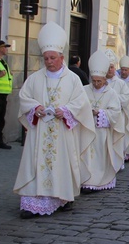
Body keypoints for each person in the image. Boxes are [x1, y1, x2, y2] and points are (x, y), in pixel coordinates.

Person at [13, 21, 95, 218]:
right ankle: (32, 203)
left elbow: (82, 103)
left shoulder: (73, 79)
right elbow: (24, 97)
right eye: (46, 58)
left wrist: (66, 110)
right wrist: (35, 107)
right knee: (36, 163)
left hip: (62, 131)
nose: (48, 61)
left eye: (52, 58)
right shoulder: (35, 78)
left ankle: (63, 197)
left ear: (61, 57)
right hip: (40, 130)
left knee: (61, 163)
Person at [81, 50, 126, 192]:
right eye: (94, 81)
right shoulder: (84, 90)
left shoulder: (111, 93)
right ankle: (85, 180)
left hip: (101, 132)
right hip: (86, 130)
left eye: (99, 81)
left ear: (104, 79)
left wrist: (100, 113)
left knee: (99, 158)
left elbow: (115, 112)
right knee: (86, 156)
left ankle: (98, 181)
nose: (96, 84)